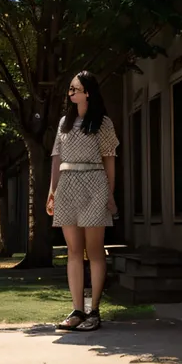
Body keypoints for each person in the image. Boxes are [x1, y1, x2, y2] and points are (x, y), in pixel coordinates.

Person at [46, 71, 119, 331]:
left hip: (94, 184)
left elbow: (109, 159)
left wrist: (110, 194)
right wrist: (52, 192)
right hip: (67, 186)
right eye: (70, 89)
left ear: (88, 92)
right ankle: (77, 310)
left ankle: (94, 311)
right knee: (73, 251)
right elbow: (56, 157)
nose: (71, 93)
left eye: (75, 89)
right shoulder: (64, 122)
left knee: (95, 250)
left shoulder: (103, 123)